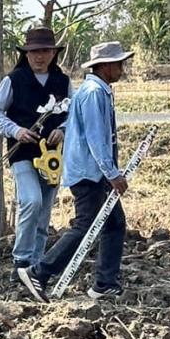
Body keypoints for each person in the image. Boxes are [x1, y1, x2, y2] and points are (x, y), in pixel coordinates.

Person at [18, 41, 134, 303]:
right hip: (89, 173)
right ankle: (39, 272)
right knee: (85, 225)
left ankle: (105, 284)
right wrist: (112, 173)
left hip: (94, 172)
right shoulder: (93, 94)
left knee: (115, 224)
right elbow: (96, 138)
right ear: (104, 66)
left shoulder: (99, 91)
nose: (121, 69)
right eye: (118, 64)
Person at [0, 26, 71, 273]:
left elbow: (76, 114)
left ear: (54, 53)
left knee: (44, 212)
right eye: (34, 51)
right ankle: (21, 261)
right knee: (30, 201)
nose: (39, 56)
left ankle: (36, 267)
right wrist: (17, 131)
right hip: (22, 154)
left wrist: (64, 129)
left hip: (52, 157)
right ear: (26, 53)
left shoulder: (63, 82)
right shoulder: (13, 80)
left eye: (45, 51)